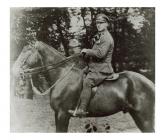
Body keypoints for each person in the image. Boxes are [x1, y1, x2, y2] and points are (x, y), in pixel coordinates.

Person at [69, 13, 114, 117]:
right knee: (79, 74)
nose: (99, 25)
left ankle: (82, 109)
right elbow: (95, 52)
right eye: (97, 23)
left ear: (106, 24)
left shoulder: (106, 38)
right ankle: (76, 103)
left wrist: (87, 51)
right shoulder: (100, 36)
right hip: (95, 66)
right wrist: (85, 54)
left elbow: (100, 54)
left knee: (88, 82)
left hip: (102, 69)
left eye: (101, 23)